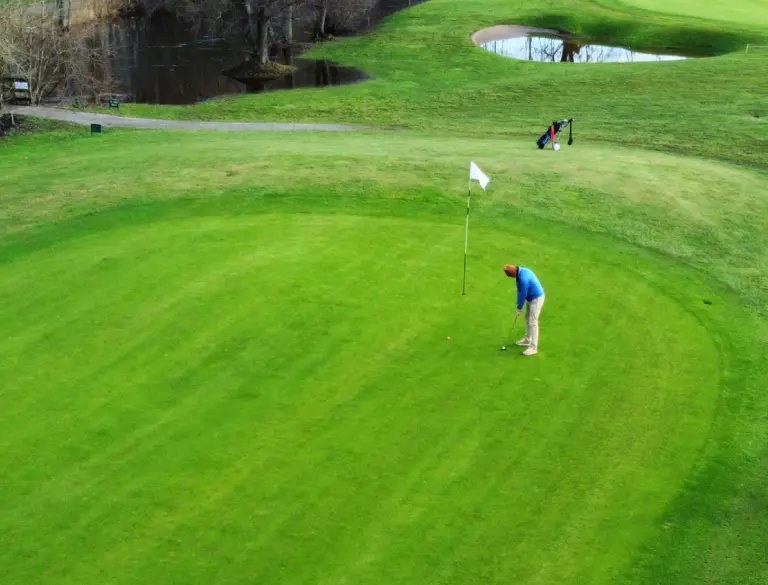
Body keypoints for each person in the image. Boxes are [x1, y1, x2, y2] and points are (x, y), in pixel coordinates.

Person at [503, 264, 545, 356]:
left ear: (513, 274)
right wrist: (518, 306)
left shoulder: (523, 279)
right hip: (531, 298)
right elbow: (520, 291)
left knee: (533, 321)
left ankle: (534, 347)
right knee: (527, 317)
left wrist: (519, 308)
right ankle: (527, 339)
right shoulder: (520, 271)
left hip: (536, 298)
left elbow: (523, 294)